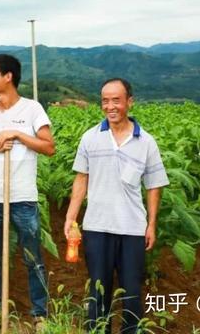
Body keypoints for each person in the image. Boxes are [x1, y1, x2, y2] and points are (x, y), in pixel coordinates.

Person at [64, 78, 168, 333]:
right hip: (97, 226)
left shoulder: (146, 142)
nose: (110, 106)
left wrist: (151, 224)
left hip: (132, 228)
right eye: (105, 101)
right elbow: (81, 178)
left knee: (131, 292)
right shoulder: (90, 137)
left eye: (116, 100)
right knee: (98, 290)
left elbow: (154, 186)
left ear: (129, 102)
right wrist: (70, 216)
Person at [0, 54, 55, 331]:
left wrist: (17, 135)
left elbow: (48, 147)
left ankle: (39, 313)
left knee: (32, 257)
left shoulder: (32, 109)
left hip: (23, 197)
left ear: (8, 76)